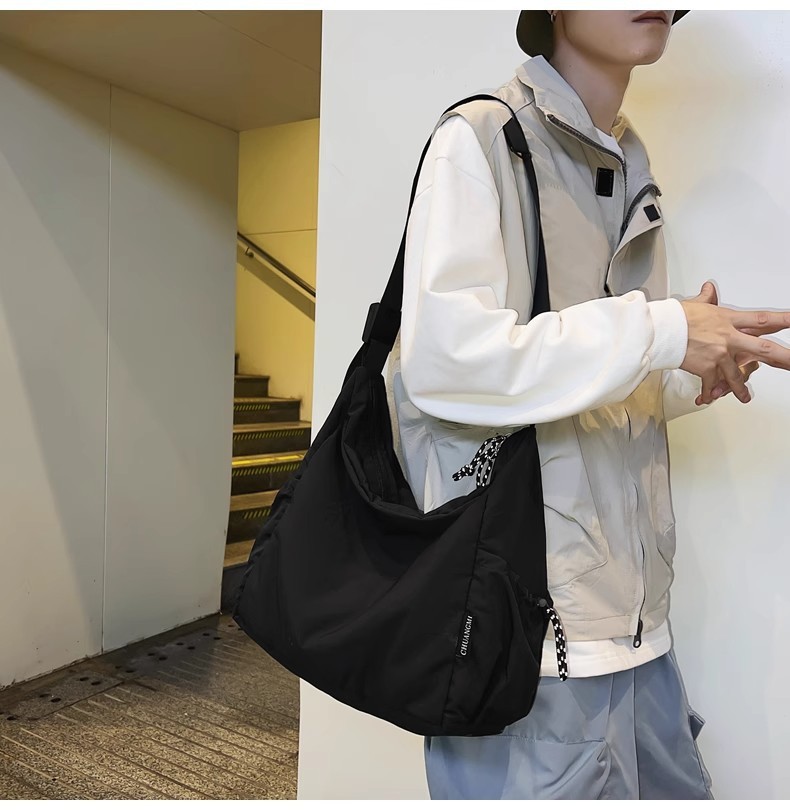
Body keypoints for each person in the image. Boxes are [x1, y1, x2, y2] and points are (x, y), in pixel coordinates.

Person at [384, 9, 790, 800]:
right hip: (528, 646)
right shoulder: (483, 139)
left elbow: (577, 384)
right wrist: (663, 329)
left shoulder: (628, 159)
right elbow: (445, 363)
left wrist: (689, 370)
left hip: (637, 631)